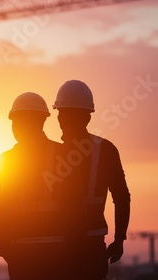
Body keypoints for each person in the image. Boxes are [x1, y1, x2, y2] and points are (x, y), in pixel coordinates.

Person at [52, 80, 131, 280]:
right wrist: (119, 239)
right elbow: (122, 197)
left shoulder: (50, 153)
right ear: (88, 116)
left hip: (60, 251)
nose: (60, 119)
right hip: (90, 250)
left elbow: (122, 197)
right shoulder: (105, 150)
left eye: (62, 114)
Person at [0, 92, 75, 280]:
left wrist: (4, 246)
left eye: (15, 123)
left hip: (23, 254)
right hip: (58, 253)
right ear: (42, 121)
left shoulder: (7, 159)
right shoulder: (63, 154)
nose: (13, 128)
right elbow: (75, 204)